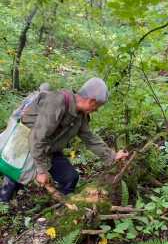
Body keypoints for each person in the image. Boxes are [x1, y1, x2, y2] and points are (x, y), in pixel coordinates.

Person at [0, 77, 128, 202]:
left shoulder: (80, 115)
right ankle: (4, 205)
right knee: (13, 182)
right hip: (26, 149)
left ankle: (60, 209)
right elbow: (37, 138)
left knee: (70, 178)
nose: (97, 110)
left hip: (50, 149)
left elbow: (90, 138)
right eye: (97, 106)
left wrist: (112, 156)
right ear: (91, 101)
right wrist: (41, 170)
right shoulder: (56, 102)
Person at [0, 83, 52, 202]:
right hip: (24, 141)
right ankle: (4, 199)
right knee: (16, 168)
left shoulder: (31, 98)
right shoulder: (44, 104)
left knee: (12, 166)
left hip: (18, 138)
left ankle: (6, 197)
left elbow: (15, 115)